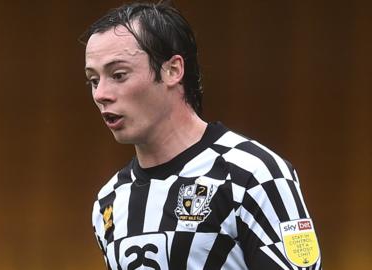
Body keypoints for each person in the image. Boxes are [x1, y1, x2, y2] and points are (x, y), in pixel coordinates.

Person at [82, 1, 321, 269]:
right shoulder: (110, 199)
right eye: (93, 80)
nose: (101, 94)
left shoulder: (253, 174)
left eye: (118, 74)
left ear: (172, 70)